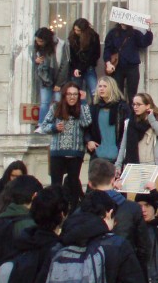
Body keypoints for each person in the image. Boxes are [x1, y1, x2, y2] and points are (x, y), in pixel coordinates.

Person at [41, 83, 91, 212]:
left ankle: (73, 210)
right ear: (64, 95)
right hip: (57, 152)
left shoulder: (81, 108)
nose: (72, 97)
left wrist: (84, 101)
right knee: (56, 184)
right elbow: (44, 126)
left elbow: (87, 122)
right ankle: (56, 210)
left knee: (73, 183)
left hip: (76, 152)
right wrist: (54, 128)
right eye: (69, 94)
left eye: (75, 94)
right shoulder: (55, 108)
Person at [114, 92, 158, 179]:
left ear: (147, 106)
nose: (135, 107)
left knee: (152, 192)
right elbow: (123, 145)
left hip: (152, 166)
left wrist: (152, 120)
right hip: (133, 166)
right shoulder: (130, 122)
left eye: (138, 104)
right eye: (134, 104)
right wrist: (118, 165)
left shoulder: (156, 121)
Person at [103, 19, 153, 101]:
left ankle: (132, 112)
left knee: (132, 94)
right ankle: (120, 112)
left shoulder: (134, 33)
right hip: (117, 67)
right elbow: (107, 49)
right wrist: (108, 63)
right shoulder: (113, 33)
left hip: (132, 66)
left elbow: (144, 42)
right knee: (118, 94)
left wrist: (148, 29)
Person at [87, 76, 129, 165]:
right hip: (98, 155)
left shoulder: (122, 107)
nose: (101, 89)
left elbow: (127, 130)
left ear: (112, 88)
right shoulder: (94, 107)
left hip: (117, 156)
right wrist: (88, 141)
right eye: (100, 86)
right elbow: (87, 128)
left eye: (105, 86)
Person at [61, 18, 101, 97]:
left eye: (78, 30)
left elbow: (94, 55)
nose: (76, 32)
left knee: (95, 92)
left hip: (88, 66)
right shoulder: (72, 37)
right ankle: (78, 108)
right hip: (76, 67)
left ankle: (94, 108)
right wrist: (76, 68)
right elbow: (72, 55)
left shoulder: (93, 37)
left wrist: (80, 68)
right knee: (76, 92)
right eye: (75, 30)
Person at [32, 27, 60, 132]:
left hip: (56, 77)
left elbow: (59, 63)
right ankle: (41, 124)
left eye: (41, 41)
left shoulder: (56, 46)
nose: (38, 43)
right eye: (37, 40)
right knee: (44, 102)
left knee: (58, 101)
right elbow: (33, 60)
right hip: (44, 78)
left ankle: (57, 123)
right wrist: (36, 61)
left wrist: (59, 82)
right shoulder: (36, 48)